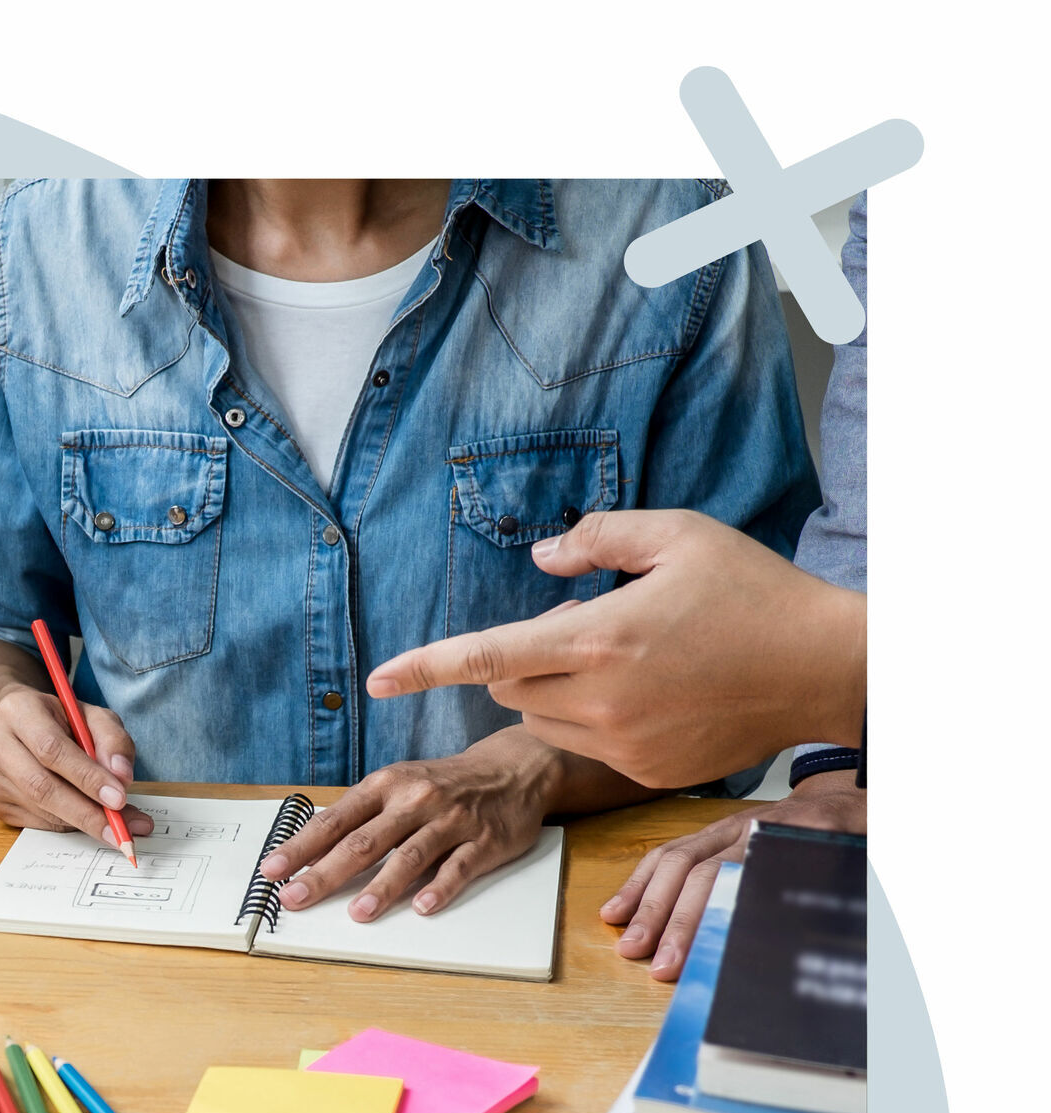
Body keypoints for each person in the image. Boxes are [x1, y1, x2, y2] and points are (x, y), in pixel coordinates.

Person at [0, 178, 819, 923]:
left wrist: (530, 770)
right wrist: (8, 722)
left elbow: (755, 671)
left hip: (530, 918)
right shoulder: (35, 251)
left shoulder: (673, 238)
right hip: (154, 918)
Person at [365, 194, 870, 978]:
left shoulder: (670, 223)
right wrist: (845, 777)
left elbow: (770, 657)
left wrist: (836, 688)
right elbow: (871, 526)